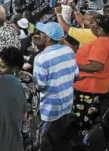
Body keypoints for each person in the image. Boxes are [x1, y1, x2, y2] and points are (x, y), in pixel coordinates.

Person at [33, 22, 78, 151]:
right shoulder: (69, 50)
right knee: (59, 135)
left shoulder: (41, 58)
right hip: (67, 101)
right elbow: (76, 75)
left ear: (47, 38)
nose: (40, 34)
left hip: (50, 106)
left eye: (42, 33)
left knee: (44, 140)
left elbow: (40, 86)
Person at [73, 13, 109, 135]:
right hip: (97, 84)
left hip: (90, 86)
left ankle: (83, 137)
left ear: (100, 29)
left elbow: (96, 66)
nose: (90, 25)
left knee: (85, 115)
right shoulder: (108, 40)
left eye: (93, 23)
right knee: (90, 113)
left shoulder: (101, 43)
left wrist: (74, 66)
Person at [0, 47, 40, 151]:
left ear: (15, 68)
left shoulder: (14, 88)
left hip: (22, 133)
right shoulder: (28, 75)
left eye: (2, 67)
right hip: (34, 125)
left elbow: (22, 116)